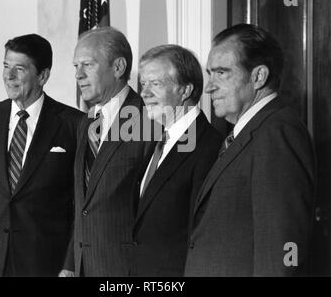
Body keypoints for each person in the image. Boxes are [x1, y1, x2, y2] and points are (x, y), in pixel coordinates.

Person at [185, 23, 316, 276]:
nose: (209, 86)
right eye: (210, 73)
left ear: (258, 77)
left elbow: (280, 252)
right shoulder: (245, 132)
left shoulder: (277, 133)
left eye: (222, 73)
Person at [0, 34, 83, 277]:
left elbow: (79, 206)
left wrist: (70, 264)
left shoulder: (73, 124)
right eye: (5, 66)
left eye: (19, 69)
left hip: (45, 262)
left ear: (43, 76)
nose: (9, 76)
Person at [61, 27, 155, 277]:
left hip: (126, 270)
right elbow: (83, 205)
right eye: (75, 66)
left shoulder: (149, 119)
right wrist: (71, 264)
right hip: (83, 266)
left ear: (118, 67)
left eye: (87, 65)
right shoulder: (87, 122)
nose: (78, 75)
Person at [126, 45, 222, 276]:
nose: (144, 93)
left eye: (155, 84)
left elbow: (204, 236)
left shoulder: (210, 147)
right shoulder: (157, 143)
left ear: (185, 89)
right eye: (143, 84)